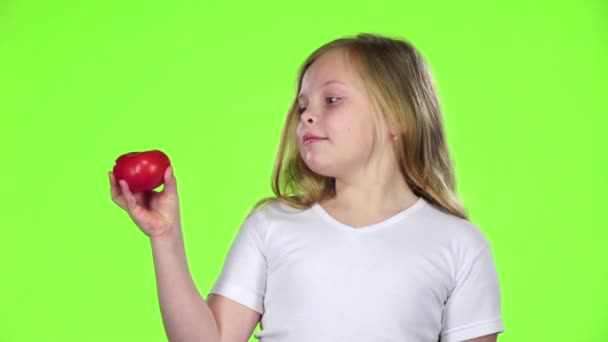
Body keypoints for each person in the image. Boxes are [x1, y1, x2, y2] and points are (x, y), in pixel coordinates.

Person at [109, 32, 504, 342]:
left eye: (331, 99)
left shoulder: (459, 246)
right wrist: (165, 238)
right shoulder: (273, 226)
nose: (308, 116)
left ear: (397, 117)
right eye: (303, 106)